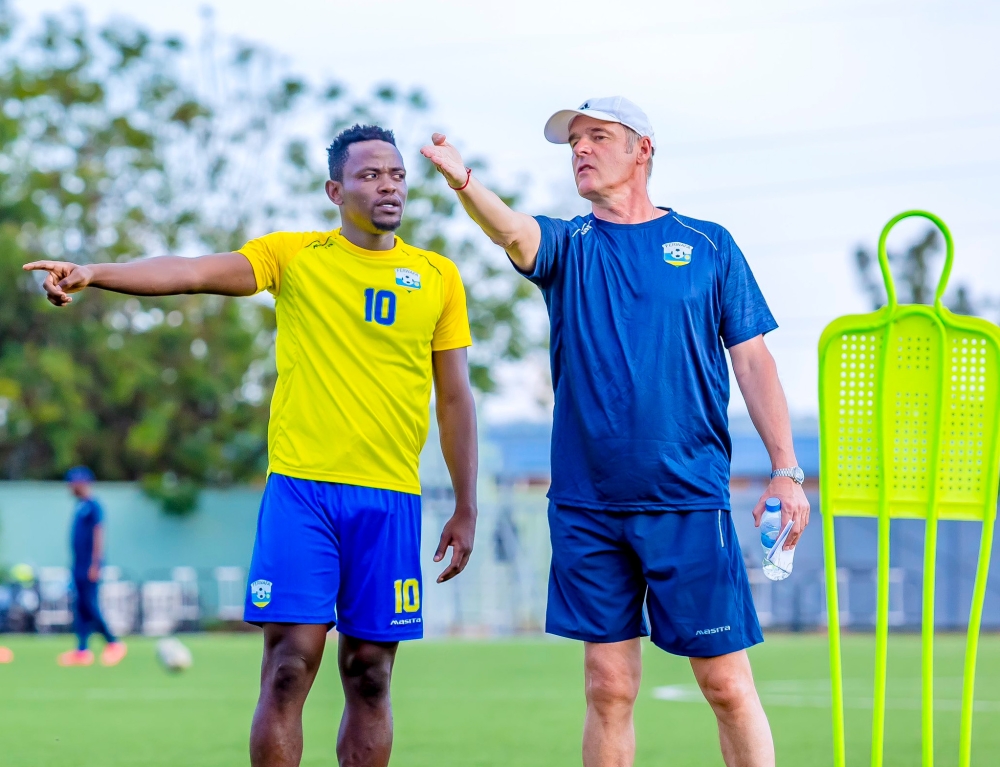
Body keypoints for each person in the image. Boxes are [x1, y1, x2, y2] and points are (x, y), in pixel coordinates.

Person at [25, 123, 478, 767]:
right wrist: (96, 272)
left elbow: (455, 397)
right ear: (335, 188)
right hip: (303, 494)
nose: (388, 186)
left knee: (371, 674)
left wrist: (465, 505)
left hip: (391, 501)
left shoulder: (438, 276)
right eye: (370, 174)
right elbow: (191, 271)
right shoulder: (294, 256)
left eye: (397, 175)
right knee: (290, 668)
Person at [421, 97, 810, 767]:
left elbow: (753, 359)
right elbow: (512, 231)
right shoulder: (570, 246)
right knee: (608, 687)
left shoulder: (711, 245)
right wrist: (463, 180)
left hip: (688, 500)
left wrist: (786, 469)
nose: (581, 150)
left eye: (597, 136)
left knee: (724, 683)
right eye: (574, 140)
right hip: (587, 507)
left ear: (642, 150)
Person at [58, 466, 128, 667]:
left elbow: (99, 533)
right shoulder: (80, 506)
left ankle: (113, 643)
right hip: (78, 564)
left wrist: (95, 563)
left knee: (90, 604)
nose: (70, 487)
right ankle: (82, 651)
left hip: (89, 565)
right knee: (80, 606)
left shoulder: (94, 506)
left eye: (73, 483)